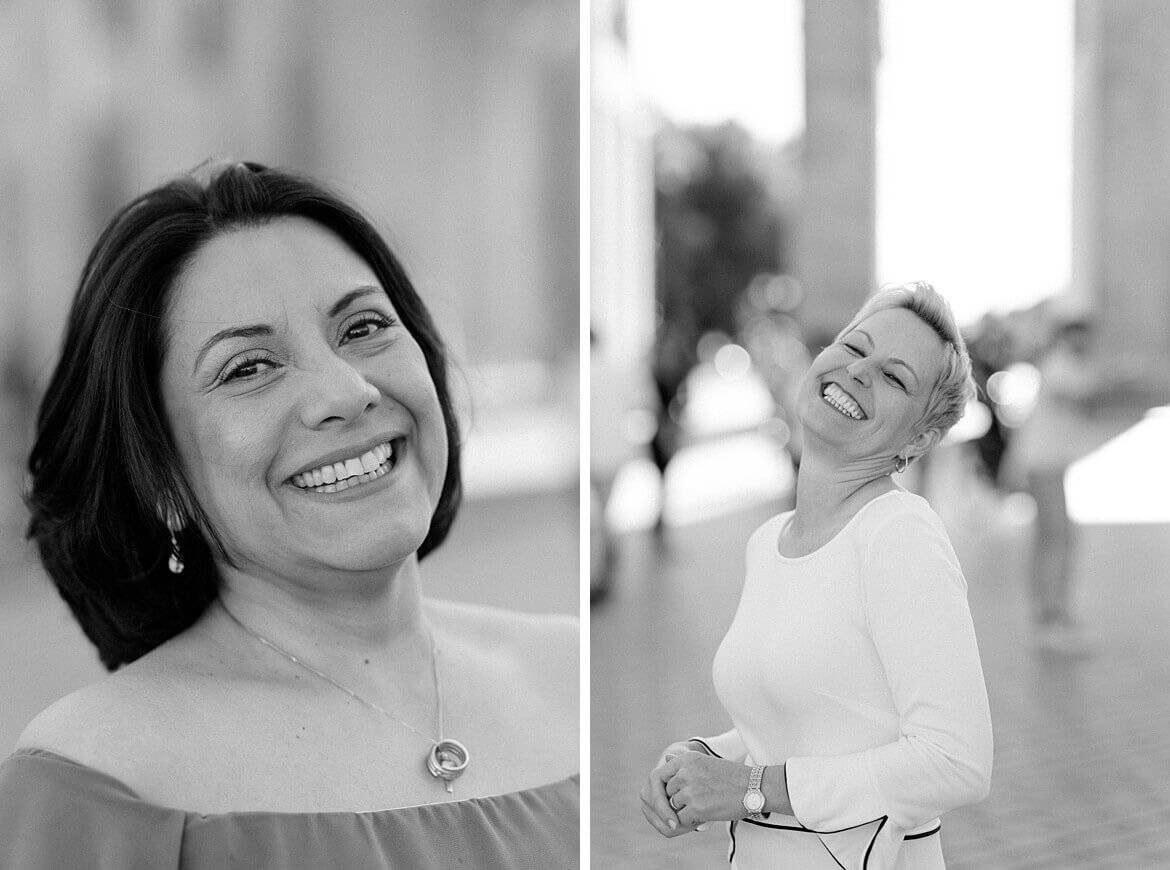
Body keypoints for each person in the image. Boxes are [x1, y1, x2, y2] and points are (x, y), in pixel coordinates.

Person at [0, 162, 579, 868]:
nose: (347, 390)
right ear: (161, 479)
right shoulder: (100, 779)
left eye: (364, 326)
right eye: (249, 368)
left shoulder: (572, 673)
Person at [641, 282, 992, 870]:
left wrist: (750, 789)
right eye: (855, 348)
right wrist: (700, 759)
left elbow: (957, 761)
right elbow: (807, 720)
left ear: (921, 438)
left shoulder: (899, 534)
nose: (859, 372)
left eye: (895, 377)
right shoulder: (768, 541)